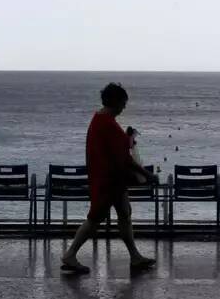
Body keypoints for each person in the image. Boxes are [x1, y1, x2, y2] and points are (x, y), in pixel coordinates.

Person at [60, 83, 157, 274]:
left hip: (108, 179)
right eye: (123, 102)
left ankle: (135, 256)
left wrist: (125, 140)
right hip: (109, 181)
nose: (124, 107)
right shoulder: (108, 124)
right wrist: (147, 174)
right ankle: (70, 254)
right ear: (116, 101)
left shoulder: (99, 120)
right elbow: (124, 158)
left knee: (124, 214)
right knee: (95, 218)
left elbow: (115, 150)